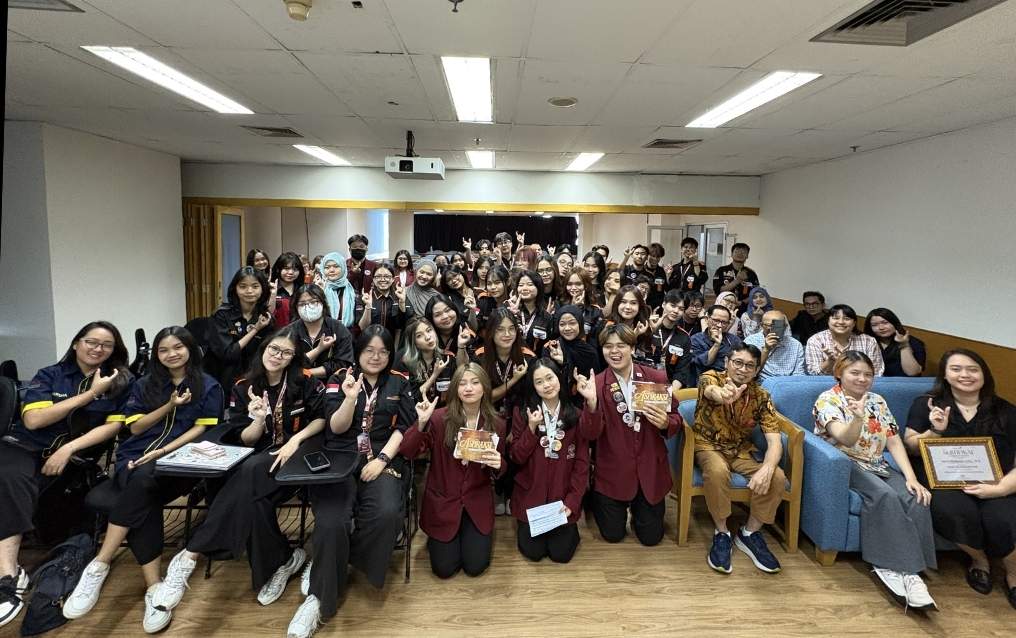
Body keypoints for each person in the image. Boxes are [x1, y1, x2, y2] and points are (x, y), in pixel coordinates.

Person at [152, 327, 326, 622]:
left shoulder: (304, 381)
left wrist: (295, 441)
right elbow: (246, 439)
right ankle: (284, 561)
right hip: (261, 461)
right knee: (254, 500)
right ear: (263, 349)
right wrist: (257, 419)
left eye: (286, 353)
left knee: (248, 471)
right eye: (273, 349)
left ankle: (189, 555)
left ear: (293, 358)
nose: (278, 356)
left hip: (296, 458)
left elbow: (321, 419)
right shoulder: (244, 386)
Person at [63, 327, 223, 632]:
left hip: (178, 463)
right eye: (164, 350)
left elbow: (200, 429)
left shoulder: (209, 385)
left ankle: (101, 562)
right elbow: (135, 429)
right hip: (135, 457)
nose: (171, 354)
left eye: (178, 347)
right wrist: (169, 405)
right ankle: (154, 588)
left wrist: (162, 451)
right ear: (156, 355)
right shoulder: (144, 384)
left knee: (143, 481)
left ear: (190, 349)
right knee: (143, 487)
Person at [0, 322, 131, 629]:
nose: (97, 349)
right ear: (76, 343)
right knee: (9, 476)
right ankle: (9, 570)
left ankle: (7, 576)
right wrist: (90, 395)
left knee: (14, 482)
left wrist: (68, 449)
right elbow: (33, 421)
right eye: (91, 342)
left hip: (72, 455)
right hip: (24, 445)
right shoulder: (50, 375)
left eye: (106, 345)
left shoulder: (121, 381)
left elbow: (113, 426)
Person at [286, 325, 414, 638]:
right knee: (332, 521)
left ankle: (333, 561)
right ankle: (318, 599)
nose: (376, 357)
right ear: (358, 351)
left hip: (382, 455)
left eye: (383, 351)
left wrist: (382, 459)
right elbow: (336, 427)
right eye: (369, 350)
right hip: (340, 456)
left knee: (387, 513)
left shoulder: (400, 380)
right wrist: (350, 399)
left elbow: (404, 428)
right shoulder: (339, 377)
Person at [813, 351, 937, 609]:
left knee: (916, 497)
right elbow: (845, 439)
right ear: (839, 373)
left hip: (876, 463)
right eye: (855, 373)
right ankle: (897, 567)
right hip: (845, 463)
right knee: (884, 495)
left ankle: (913, 568)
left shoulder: (877, 400)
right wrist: (858, 418)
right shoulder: (828, 400)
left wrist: (911, 478)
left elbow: (893, 440)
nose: (862, 379)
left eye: (868, 374)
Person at [904, 350, 1016, 607]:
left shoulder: (1007, 411)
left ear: (984, 374)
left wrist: (1000, 489)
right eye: (956, 369)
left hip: (997, 482)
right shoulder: (927, 404)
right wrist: (935, 431)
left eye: (973, 369)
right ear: (944, 374)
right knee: (953, 512)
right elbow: (910, 446)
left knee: (1003, 519)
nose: (965, 375)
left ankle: (1013, 573)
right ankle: (979, 560)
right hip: (945, 482)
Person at [402, 364, 506, 578]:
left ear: (485, 387)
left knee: (475, 567)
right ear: (455, 389)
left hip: (476, 502)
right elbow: (408, 451)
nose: (468, 388)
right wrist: (421, 423)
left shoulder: (497, 423)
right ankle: (444, 537)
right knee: (444, 570)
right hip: (443, 502)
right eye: (462, 383)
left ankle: (466, 534)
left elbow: (502, 468)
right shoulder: (438, 418)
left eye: (475, 382)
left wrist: (499, 464)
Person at [580, 324, 680, 546]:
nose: (614, 351)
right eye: (608, 346)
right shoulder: (596, 384)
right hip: (613, 470)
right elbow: (589, 434)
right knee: (612, 535)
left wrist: (666, 423)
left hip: (650, 468)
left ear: (633, 348)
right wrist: (592, 404)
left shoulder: (655, 378)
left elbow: (676, 419)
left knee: (651, 538)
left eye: (621, 345)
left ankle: (639, 512)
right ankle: (602, 504)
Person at [694, 344, 785, 574]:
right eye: (738, 363)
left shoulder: (761, 396)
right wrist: (723, 395)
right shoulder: (710, 378)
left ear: (756, 370)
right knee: (717, 471)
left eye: (749, 366)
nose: (743, 369)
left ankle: (750, 533)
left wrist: (767, 468)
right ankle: (722, 532)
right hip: (708, 445)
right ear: (727, 363)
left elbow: (774, 441)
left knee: (777, 476)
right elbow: (711, 391)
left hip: (740, 450)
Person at [511, 359, 594, 563]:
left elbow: (582, 465)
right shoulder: (522, 413)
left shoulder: (575, 415)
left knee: (561, 554)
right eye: (539, 382)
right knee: (533, 553)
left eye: (550, 378)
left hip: (562, 499)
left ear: (559, 378)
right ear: (532, 386)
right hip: (531, 498)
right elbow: (517, 457)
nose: (546, 385)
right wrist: (531, 429)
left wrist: (572, 501)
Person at [208, 266, 273, 387]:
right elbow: (228, 354)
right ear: (235, 289)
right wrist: (256, 329)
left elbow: (268, 353)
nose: (249, 291)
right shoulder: (222, 315)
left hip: (256, 377)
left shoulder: (265, 317)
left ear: (262, 289)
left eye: (255, 286)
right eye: (243, 286)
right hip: (225, 377)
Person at [289, 284, 355, 380]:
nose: (308, 306)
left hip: (330, 383)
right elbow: (289, 364)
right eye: (302, 304)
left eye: (313, 302)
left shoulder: (338, 329)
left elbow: (342, 364)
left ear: (323, 303)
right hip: (297, 384)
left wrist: (306, 372)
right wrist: (318, 349)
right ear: (296, 307)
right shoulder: (290, 331)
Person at [543, 305, 603, 403]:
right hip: (557, 401)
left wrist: (565, 362)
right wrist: (563, 363)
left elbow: (595, 383)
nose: (567, 328)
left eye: (572, 323)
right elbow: (547, 380)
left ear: (580, 323)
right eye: (562, 324)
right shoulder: (551, 348)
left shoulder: (589, 351)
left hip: (583, 401)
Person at [805, 304, 884, 376]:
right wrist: (829, 362)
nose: (841, 322)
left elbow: (876, 372)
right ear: (828, 321)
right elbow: (813, 374)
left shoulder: (868, 341)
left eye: (846, 318)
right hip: (827, 384)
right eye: (836, 318)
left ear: (854, 323)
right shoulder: (816, 340)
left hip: (861, 384)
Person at [393, 317, 454, 406]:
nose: (428, 337)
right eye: (419, 336)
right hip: (414, 411)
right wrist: (434, 375)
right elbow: (411, 398)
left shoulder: (447, 357)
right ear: (413, 342)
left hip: (442, 411)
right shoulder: (403, 362)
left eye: (429, 330)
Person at [648, 291, 694, 389]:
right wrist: (650, 331)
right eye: (673, 306)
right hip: (641, 383)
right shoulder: (647, 327)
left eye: (681, 309)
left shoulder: (684, 337)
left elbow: (682, 371)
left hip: (668, 387)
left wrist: (669, 392)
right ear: (663, 304)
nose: (676, 311)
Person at [744, 310, 806, 381]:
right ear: (761, 325)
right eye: (769, 325)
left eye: (778, 326)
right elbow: (748, 372)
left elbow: (799, 374)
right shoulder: (751, 341)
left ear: (785, 326)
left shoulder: (796, 345)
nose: (773, 329)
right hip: (761, 382)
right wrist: (766, 349)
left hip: (788, 383)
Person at [864, 308, 926, 377]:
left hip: (904, 382)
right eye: (874, 325)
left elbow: (912, 372)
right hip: (877, 381)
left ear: (894, 323)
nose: (881, 328)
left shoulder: (914, 342)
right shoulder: (869, 342)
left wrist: (904, 345)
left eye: (885, 323)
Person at [356, 261, 410, 337]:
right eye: (378, 276)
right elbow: (362, 327)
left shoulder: (400, 296)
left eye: (387, 276)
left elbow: (404, 325)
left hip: (393, 341)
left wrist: (402, 302)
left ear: (393, 279)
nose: (382, 279)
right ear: (373, 279)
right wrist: (368, 306)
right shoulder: (365, 298)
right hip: (370, 340)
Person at [691, 305, 743, 377]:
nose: (719, 325)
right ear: (707, 319)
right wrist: (717, 344)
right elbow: (704, 363)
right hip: (703, 378)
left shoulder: (734, 340)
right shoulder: (696, 339)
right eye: (716, 320)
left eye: (724, 322)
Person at [510, 270, 552, 353]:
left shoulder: (546, 317)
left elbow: (547, 346)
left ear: (538, 288)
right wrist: (511, 316)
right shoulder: (509, 309)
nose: (524, 288)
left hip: (536, 359)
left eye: (530, 284)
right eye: (521, 285)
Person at [560, 268, 604, 343]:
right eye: (569, 284)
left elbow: (596, 339)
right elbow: (557, 333)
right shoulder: (559, 305)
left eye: (578, 284)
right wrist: (573, 308)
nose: (573, 288)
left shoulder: (595, 310)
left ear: (586, 286)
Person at [316, 252, 358, 330]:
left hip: (348, 332)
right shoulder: (318, 288)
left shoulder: (351, 291)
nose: (331, 270)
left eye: (336, 266)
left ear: (343, 267)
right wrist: (319, 293)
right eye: (327, 267)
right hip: (324, 332)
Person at [712, 243, 758, 310]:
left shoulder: (751, 273)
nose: (740, 254)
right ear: (731, 254)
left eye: (743, 252)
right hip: (724, 307)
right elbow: (718, 290)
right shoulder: (721, 270)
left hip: (745, 309)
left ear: (747, 256)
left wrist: (742, 302)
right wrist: (737, 280)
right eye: (737, 251)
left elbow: (756, 293)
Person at [270, 252, 307, 328]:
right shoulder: (271, 289)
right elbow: (267, 315)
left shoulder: (303, 289)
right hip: (277, 333)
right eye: (286, 268)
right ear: (278, 269)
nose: (291, 272)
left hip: (299, 332)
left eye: (295, 269)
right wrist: (272, 295)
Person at [477, 264, 510, 330]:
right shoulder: (482, 300)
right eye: (489, 283)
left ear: (508, 282)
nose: (493, 287)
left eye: (497, 282)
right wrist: (472, 310)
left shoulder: (514, 302)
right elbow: (475, 326)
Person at [642, 243, 668, 308]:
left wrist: (668, 276)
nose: (655, 259)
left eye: (658, 257)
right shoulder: (642, 270)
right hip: (645, 305)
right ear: (647, 256)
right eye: (653, 256)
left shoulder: (661, 271)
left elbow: (666, 288)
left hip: (659, 306)